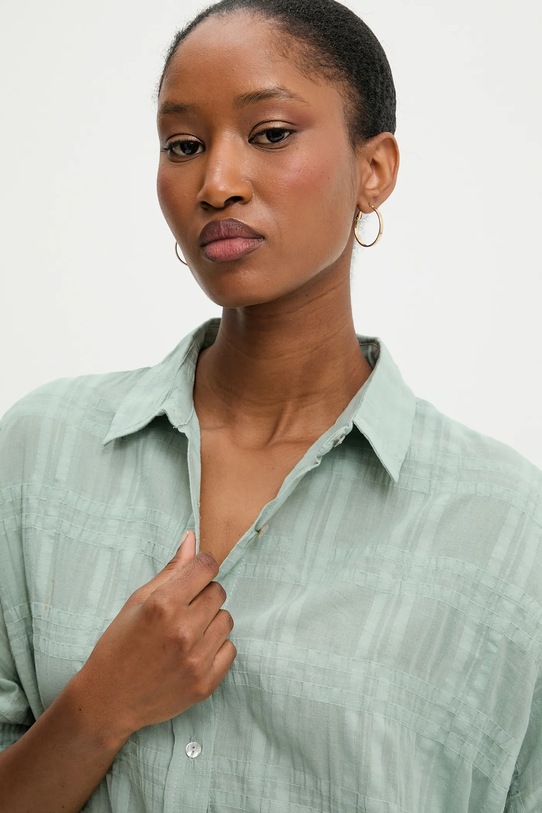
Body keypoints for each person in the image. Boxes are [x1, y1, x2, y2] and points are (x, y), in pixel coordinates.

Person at [0, 0, 541, 810]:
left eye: (271, 133)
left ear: (374, 169)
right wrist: (97, 708)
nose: (217, 183)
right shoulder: (38, 454)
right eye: (184, 145)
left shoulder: (508, 528)